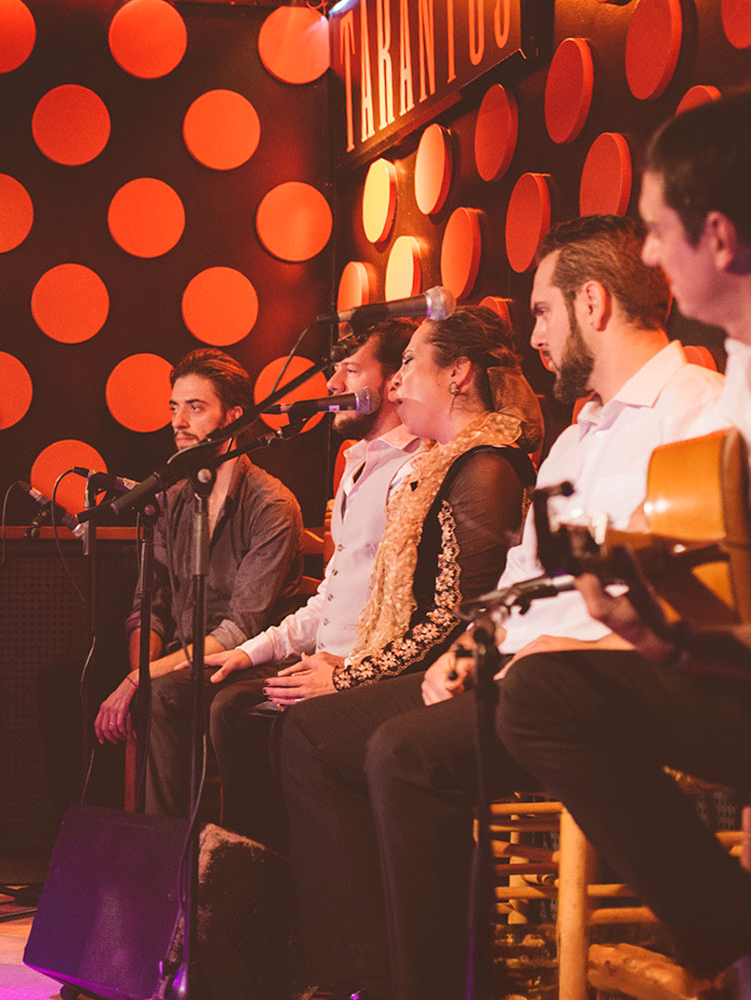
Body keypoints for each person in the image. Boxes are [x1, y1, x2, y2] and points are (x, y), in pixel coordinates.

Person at [275, 216, 723, 1000]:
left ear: (592, 304)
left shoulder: (699, 410)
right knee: (311, 732)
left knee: (404, 753)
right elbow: (519, 581)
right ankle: (362, 975)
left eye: (543, 312)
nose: (535, 336)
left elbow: (704, 597)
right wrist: (471, 645)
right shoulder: (580, 437)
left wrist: (556, 655)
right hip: (519, 676)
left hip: (608, 691)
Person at [499, 93, 751, 996]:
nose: (646, 255)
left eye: (655, 230)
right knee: (537, 693)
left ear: (717, 237)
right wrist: (660, 630)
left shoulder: (702, 391)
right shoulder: (734, 377)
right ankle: (729, 932)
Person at [163, 318, 423, 847]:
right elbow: (330, 597)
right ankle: (233, 887)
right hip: (319, 659)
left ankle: (260, 891)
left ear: (394, 382)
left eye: (350, 371)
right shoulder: (356, 464)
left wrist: (347, 673)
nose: (330, 387)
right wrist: (254, 652)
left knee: (231, 711)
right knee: (230, 705)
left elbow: (404, 605)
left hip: (359, 670)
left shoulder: (417, 469)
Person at [92, 348, 303, 820]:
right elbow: (152, 605)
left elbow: (240, 630)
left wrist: (141, 680)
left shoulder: (271, 506)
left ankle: (166, 864)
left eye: (195, 407)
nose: (178, 421)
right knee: (77, 689)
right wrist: (139, 675)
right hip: (185, 660)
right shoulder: (172, 499)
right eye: (173, 407)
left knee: (163, 696)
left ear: (233, 417)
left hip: (249, 664)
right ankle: (113, 857)